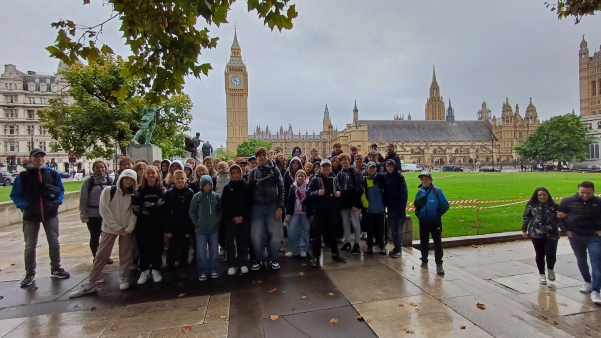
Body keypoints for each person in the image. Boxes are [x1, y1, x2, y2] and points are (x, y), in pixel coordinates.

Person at [69, 169, 138, 297]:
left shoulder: (134, 194)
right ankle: (91, 281)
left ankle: (123, 277)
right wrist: (116, 227)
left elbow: (134, 212)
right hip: (110, 228)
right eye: (126, 178)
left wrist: (129, 228)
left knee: (126, 254)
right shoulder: (109, 191)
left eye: (131, 179)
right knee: (102, 255)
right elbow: (104, 210)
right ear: (121, 178)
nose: (128, 181)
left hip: (126, 229)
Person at [11, 148, 70, 287]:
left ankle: (56, 268)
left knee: (54, 242)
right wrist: (24, 205)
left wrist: (57, 202)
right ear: (30, 158)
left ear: (46, 158)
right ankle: (29, 273)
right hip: (31, 214)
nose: (39, 159)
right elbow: (15, 194)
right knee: (30, 245)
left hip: (50, 213)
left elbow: (60, 190)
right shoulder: (23, 176)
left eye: (42, 157)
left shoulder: (53, 174)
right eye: (36, 157)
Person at [557, 181, 601, 304]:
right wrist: (566, 230)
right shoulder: (568, 201)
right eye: (582, 193)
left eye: (588, 193)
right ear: (578, 191)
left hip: (594, 236)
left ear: (594, 191)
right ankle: (587, 281)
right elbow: (559, 217)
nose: (585, 195)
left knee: (596, 262)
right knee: (581, 260)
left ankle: (596, 290)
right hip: (576, 235)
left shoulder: (598, 202)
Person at [248, 147, 285, 271]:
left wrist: (280, 207)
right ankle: (259, 259)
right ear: (256, 158)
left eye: (264, 155)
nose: (262, 157)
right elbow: (249, 191)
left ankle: (273, 258)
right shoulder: (253, 172)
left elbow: (281, 188)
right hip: (257, 207)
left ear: (267, 156)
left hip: (272, 206)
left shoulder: (275, 170)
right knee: (256, 235)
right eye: (259, 156)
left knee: (274, 234)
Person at [307, 159, 345, 266]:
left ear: (331, 168)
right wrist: (317, 193)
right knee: (317, 236)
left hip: (331, 211)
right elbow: (308, 194)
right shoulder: (315, 179)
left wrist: (339, 194)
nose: (326, 168)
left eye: (328, 166)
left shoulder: (334, 178)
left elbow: (339, 191)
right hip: (319, 212)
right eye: (324, 166)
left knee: (333, 234)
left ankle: (335, 254)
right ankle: (316, 257)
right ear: (320, 168)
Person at [132, 166, 166, 284]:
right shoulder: (139, 191)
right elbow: (136, 208)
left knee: (157, 247)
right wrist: (153, 206)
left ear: (157, 174)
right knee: (143, 248)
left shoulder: (162, 190)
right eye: (148, 173)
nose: (151, 175)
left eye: (153, 173)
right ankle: (144, 270)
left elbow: (162, 207)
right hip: (142, 225)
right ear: (144, 175)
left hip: (157, 225)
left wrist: (147, 207)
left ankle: (156, 269)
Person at [522, 187, 561, 285]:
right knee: (539, 253)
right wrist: (524, 229)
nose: (542, 197)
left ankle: (550, 268)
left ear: (548, 195)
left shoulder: (554, 206)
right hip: (536, 233)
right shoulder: (531, 205)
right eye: (540, 195)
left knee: (550, 253)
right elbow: (526, 217)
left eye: (544, 195)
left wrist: (565, 229)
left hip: (551, 233)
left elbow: (560, 218)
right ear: (536, 196)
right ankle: (541, 274)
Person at [414, 172, 450, 275]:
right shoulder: (420, 192)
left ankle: (439, 264)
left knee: (437, 243)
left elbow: (445, 204)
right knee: (424, 242)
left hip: (435, 222)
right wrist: (418, 213)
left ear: (431, 180)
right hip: (423, 222)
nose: (424, 181)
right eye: (422, 179)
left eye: (426, 179)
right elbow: (417, 204)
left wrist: (437, 213)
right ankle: (424, 261)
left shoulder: (437, 191)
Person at [79, 160, 114, 264]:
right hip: (93, 214)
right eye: (98, 168)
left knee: (106, 237)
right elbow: (83, 198)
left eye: (102, 167)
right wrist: (83, 213)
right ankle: (96, 256)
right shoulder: (88, 182)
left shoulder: (110, 181)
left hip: (107, 214)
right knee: (95, 235)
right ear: (94, 169)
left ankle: (105, 256)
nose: (100, 169)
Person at [163, 169, 195, 280]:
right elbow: (166, 212)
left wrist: (189, 229)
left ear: (186, 179)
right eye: (177, 178)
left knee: (184, 248)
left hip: (185, 226)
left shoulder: (190, 193)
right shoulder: (169, 193)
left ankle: (183, 267)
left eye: (182, 178)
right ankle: (170, 268)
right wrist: (167, 229)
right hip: (173, 226)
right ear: (173, 179)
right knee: (172, 248)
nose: (180, 180)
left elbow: (192, 211)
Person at [189, 175, 222, 281]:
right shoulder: (197, 197)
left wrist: (217, 220)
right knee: (201, 252)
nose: (207, 187)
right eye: (205, 185)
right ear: (201, 186)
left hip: (213, 229)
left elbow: (220, 210)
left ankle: (214, 269)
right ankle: (202, 271)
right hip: (200, 230)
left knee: (214, 251)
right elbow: (192, 211)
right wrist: (196, 222)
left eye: (209, 184)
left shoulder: (216, 196)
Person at [221, 164, 251, 275]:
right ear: (231, 174)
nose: (236, 175)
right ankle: (231, 264)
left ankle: (243, 262)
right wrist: (233, 217)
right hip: (230, 219)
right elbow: (224, 205)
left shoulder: (246, 186)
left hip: (244, 218)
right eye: (233, 173)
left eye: (237, 172)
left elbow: (248, 204)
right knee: (230, 241)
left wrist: (242, 216)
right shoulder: (227, 187)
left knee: (242, 240)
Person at [337, 153, 363, 255]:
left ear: (349, 161)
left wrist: (356, 203)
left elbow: (359, 188)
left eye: (346, 160)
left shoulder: (355, 173)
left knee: (356, 224)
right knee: (345, 224)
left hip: (353, 203)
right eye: (342, 160)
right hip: (343, 203)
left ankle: (356, 243)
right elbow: (338, 188)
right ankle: (347, 242)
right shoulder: (340, 174)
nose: (344, 162)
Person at [361, 162, 387, 255]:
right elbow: (362, 193)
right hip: (369, 209)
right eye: (370, 168)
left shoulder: (380, 178)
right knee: (370, 229)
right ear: (367, 169)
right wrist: (365, 203)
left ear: (376, 169)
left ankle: (382, 245)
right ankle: (370, 245)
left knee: (380, 228)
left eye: (373, 168)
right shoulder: (364, 179)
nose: (372, 169)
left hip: (380, 207)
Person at [383, 159, 408, 258]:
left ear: (394, 166)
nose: (389, 168)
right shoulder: (386, 177)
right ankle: (396, 248)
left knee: (399, 230)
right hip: (391, 208)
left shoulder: (399, 177)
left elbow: (404, 193)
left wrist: (402, 207)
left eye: (391, 166)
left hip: (399, 208)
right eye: (387, 166)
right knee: (393, 229)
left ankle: (399, 249)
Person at [285, 170, 310, 258]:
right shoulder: (293, 187)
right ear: (295, 177)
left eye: (302, 176)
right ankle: (293, 249)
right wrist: (288, 214)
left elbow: (311, 200)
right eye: (298, 176)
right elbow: (289, 201)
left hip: (305, 213)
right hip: (294, 212)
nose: (300, 178)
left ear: (305, 177)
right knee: (292, 231)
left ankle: (303, 249)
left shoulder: (308, 187)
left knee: (305, 231)